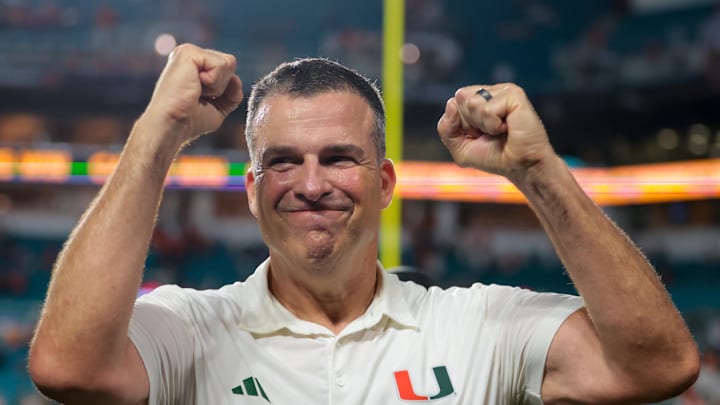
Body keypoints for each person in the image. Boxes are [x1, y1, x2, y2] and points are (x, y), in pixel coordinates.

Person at [28, 43, 699, 404]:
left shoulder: (476, 327)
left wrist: (539, 171)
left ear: (383, 184)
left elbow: (657, 365)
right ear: (254, 192)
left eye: (339, 158)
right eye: (284, 162)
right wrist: (157, 133)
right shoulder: (192, 326)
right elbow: (67, 367)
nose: (312, 184)